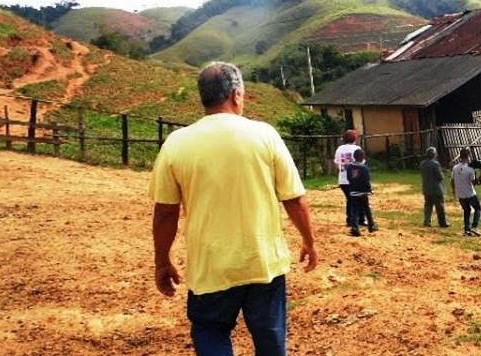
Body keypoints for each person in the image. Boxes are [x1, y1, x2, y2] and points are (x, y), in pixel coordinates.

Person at [149, 61, 317, 356]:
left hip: (210, 265)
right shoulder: (264, 135)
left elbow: (165, 212)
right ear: (236, 94)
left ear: (203, 97)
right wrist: (309, 241)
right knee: (270, 335)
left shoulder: (176, 143)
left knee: (210, 331)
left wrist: (162, 261)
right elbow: (294, 199)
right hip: (262, 262)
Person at [344, 148, 377, 236]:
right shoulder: (364, 167)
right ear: (362, 157)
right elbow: (367, 180)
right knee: (366, 208)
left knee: (354, 210)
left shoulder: (349, 167)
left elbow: (348, 178)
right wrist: (369, 189)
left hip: (353, 191)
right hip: (363, 192)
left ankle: (355, 228)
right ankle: (371, 225)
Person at [334, 129, 362, 228]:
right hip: (354, 178)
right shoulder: (357, 148)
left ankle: (351, 219)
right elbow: (360, 164)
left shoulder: (339, 149)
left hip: (342, 179)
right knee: (356, 199)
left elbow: (337, 163)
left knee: (350, 199)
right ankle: (356, 219)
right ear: (355, 138)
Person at [451, 147, 481, 237]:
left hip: (460, 195)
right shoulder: (470, 169)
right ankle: (474, 227)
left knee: (466, 210)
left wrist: (454, 191)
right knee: (478, 208)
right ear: (468, 156)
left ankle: (466, 229)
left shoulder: (455, 168)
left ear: (460, 156)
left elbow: (452, 181)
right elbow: (474, 183)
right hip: (470, 194)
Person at [419, 146, 449, 228]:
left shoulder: (422, 164)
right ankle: (442, 223)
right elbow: (440, 177)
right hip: (436, 189)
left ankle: (427, 221)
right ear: (434, 154)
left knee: (428, 206)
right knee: (440, 207)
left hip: (427, 188)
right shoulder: (435, 164)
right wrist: (443, 173)